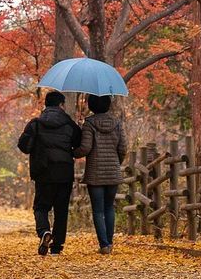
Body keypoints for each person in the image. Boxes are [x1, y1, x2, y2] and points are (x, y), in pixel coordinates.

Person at [17, 92, 81, 255]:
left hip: (43, 171)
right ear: (61, 105)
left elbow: (24, 146)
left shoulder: (36, 124)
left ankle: (44, 231)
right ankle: (57, 246)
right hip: (64, 172)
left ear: (46, 105)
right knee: (61, 210)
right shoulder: (69, 124)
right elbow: (79, 143)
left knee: (41, 207)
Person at [74, 94, 127, 254]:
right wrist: (116, 162)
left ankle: (103, 245)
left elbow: (85, 148)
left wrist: (72, 152)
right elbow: (123, 148)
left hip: (95, 174)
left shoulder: (89, 123)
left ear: (91, 105)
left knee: (98, 210)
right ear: (108, 105)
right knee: (109, 207)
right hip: (112, 172)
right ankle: (109, 243)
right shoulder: (117, 123)